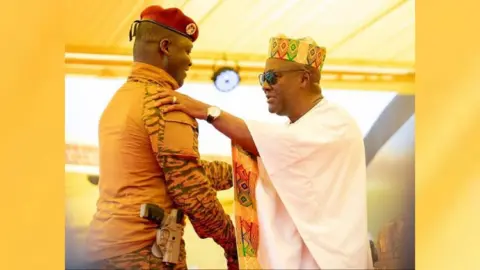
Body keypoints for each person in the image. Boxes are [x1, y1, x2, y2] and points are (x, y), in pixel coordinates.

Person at [151, 34, 373, 269]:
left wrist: (207, 111)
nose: (265, 85)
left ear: (303, 79)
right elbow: (260, 164)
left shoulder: (334, 123)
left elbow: (260, 141)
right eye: (263, 78)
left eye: (272, 77)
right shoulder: (297, 129)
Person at [84, 5, 238, 270]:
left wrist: (242, 172)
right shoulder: (164, 104)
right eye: (187, 51)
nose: (190, 61)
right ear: (165, 46)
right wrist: (233, 242)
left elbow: (175, 174)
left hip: (106, 248)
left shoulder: (121, 100)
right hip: (142, 253)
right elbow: (191, 190)